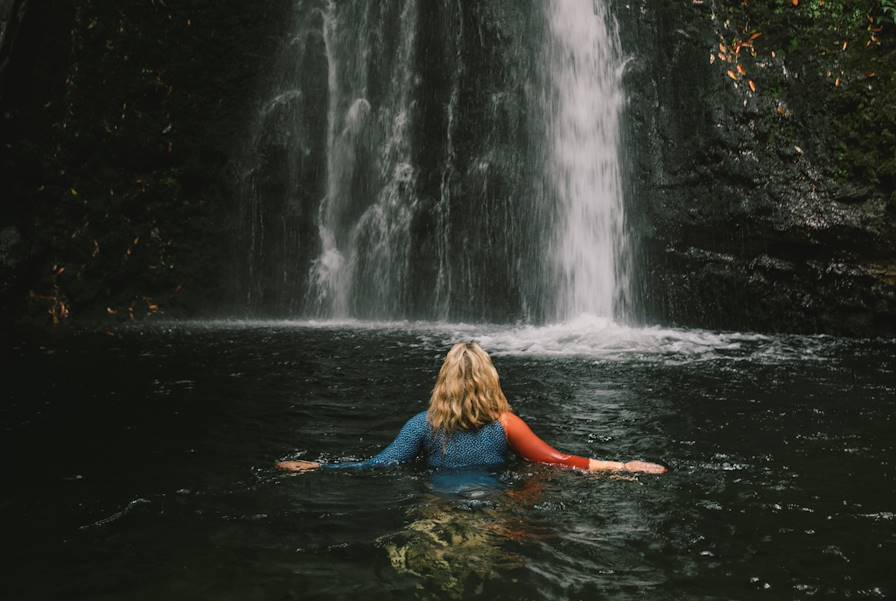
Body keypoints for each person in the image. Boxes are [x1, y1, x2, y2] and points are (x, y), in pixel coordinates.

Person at [277, 342, 667, 475]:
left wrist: (320, 467)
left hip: (438, 506)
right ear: (490, 379)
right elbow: (559, 461)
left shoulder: (423, 425)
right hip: (489, 510)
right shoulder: (505, 425)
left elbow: (379, 466)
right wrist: (623, 466)